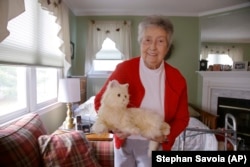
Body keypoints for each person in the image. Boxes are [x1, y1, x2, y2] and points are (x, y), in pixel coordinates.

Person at [94, 15, 189, 167]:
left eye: (160, 41)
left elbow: (182, 118)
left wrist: (165, 137)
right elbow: (100, 101)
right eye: (147, 40)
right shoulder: (124, 69)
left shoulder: (177, 78)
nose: (152, 47)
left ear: (168, 47)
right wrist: (116, 128)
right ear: (141, 43)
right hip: (125, 144)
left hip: (154, 145)